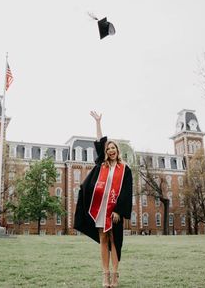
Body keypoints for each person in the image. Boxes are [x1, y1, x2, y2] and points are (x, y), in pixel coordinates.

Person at [74, 111, 133, 288]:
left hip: (114, 211)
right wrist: (98, 123)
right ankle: (105, 276)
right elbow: (100, 142)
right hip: (100, 209)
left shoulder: (125, 170)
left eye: (113, 148)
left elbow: (127, 191)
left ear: (117, 150)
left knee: (114, 240)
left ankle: (115, 275)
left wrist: (119, 211)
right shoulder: (102, 165)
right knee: (103, 240)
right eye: (108, 149)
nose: (110, 150)